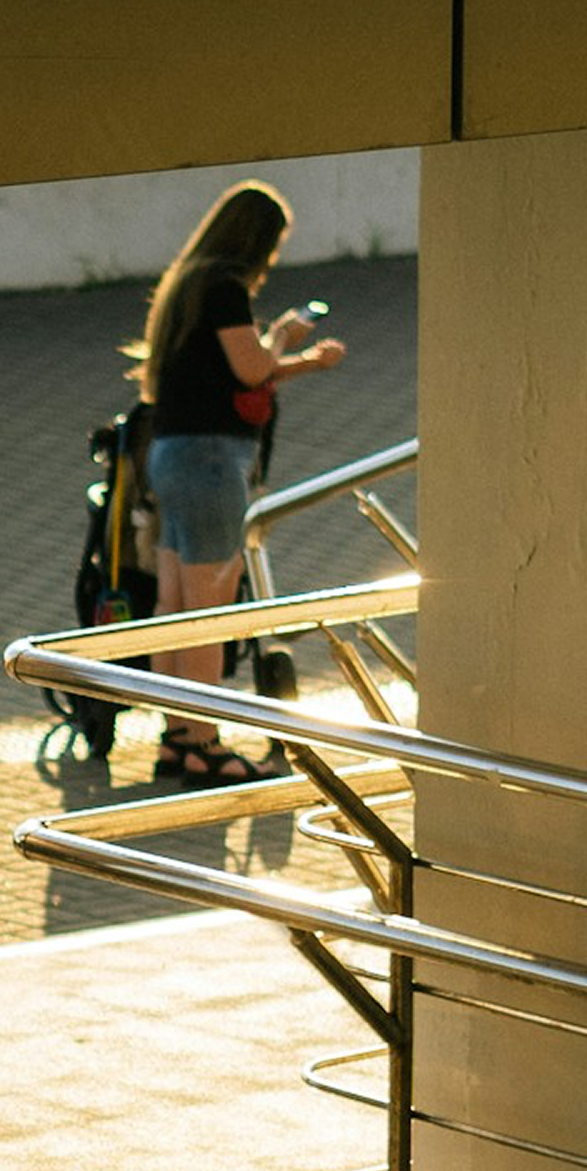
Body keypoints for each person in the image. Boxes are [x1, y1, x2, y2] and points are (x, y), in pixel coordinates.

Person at [120, 179, 348, 786]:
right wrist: (297, 350)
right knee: (209, 610)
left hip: (169, 453)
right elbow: (251, 371)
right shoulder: (224, 287)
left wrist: (285, 348)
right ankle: (204, 741)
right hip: (212, 460)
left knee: (173, 606)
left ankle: (175, 737)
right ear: (259, 240)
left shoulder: (185, 285)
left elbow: (237, 369)